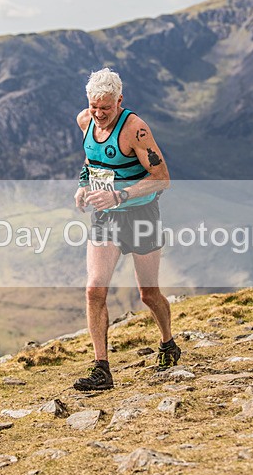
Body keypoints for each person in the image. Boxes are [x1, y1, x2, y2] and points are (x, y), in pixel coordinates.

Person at [71, 68, 180, 391]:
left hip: (142, 214)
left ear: (120, 101)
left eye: (106, 107)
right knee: (94, 289)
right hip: (105, 217)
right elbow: (92, 162)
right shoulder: (84, 121)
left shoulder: (136, 129)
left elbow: (162, 179)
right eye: (94, 106)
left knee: (148, 293)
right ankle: (101, 369)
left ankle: (168, 342)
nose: (99, 114)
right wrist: (82, 185)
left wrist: (120, 194)